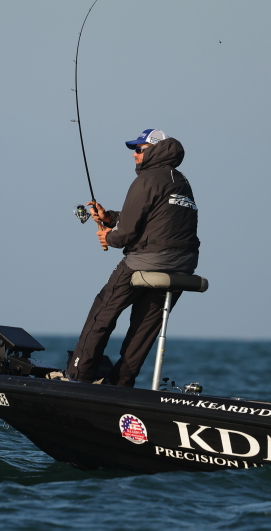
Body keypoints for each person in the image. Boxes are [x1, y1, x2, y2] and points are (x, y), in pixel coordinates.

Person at [66, 128, 200, 386]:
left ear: (153, 151)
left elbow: (125, 234)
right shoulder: (181, 181)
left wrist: (109, 238)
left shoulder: (146, 180)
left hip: (146, 262)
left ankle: (78, 377)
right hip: (183, 266)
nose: (134, 155)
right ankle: (121, 384)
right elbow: (154, 222)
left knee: (103, 311)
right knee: (144, 329)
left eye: (138, 149)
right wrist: (109, 218)